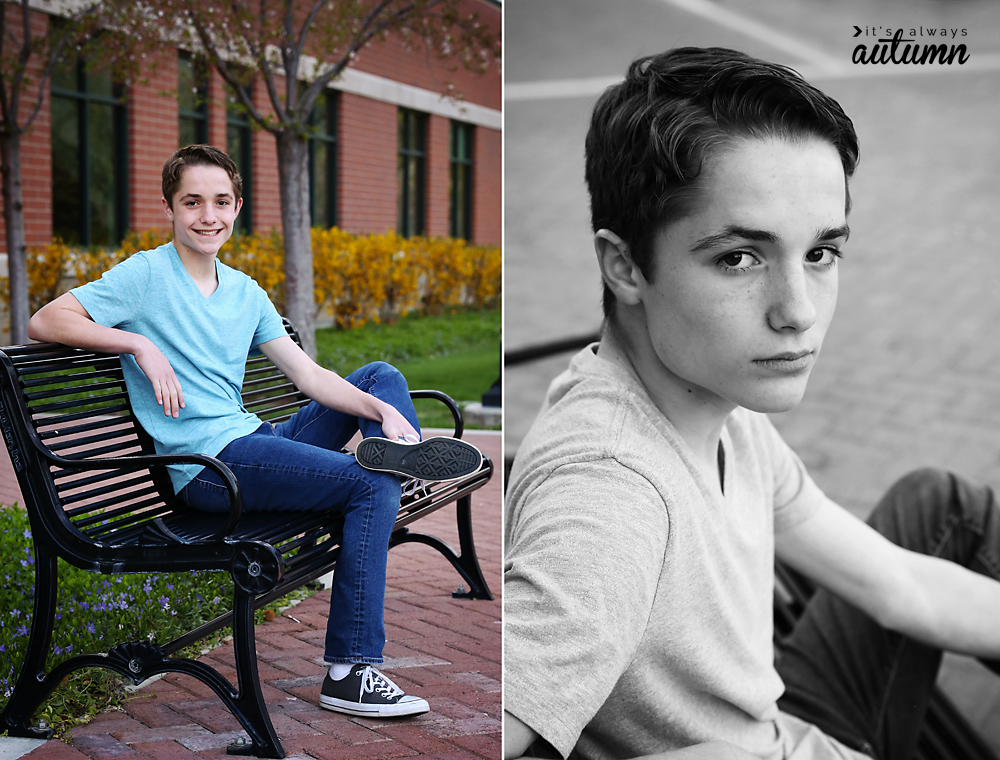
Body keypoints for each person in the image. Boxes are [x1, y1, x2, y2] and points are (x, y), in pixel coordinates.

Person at [503, 47, 1000, 760]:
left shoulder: (717, 399)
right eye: (740, 257)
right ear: (624, 265)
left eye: (821, 253)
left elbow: (898, 586)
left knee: (939, 506)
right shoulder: (610, 494)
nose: (798, 313)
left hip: (784, 717)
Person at [27, 144, 483, 718]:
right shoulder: (144, 275)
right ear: (169, 206)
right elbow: (46, 320)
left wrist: (380, 409)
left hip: (251, 440)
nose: (206, 216)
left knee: (379, 377)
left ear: (238, 207)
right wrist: (139, 343)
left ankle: (396, 451)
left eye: (220, 202)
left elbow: (308, 375)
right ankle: (349, 671)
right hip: (205, 469)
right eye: (191, 202)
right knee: (370, 486)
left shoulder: (244, 291)